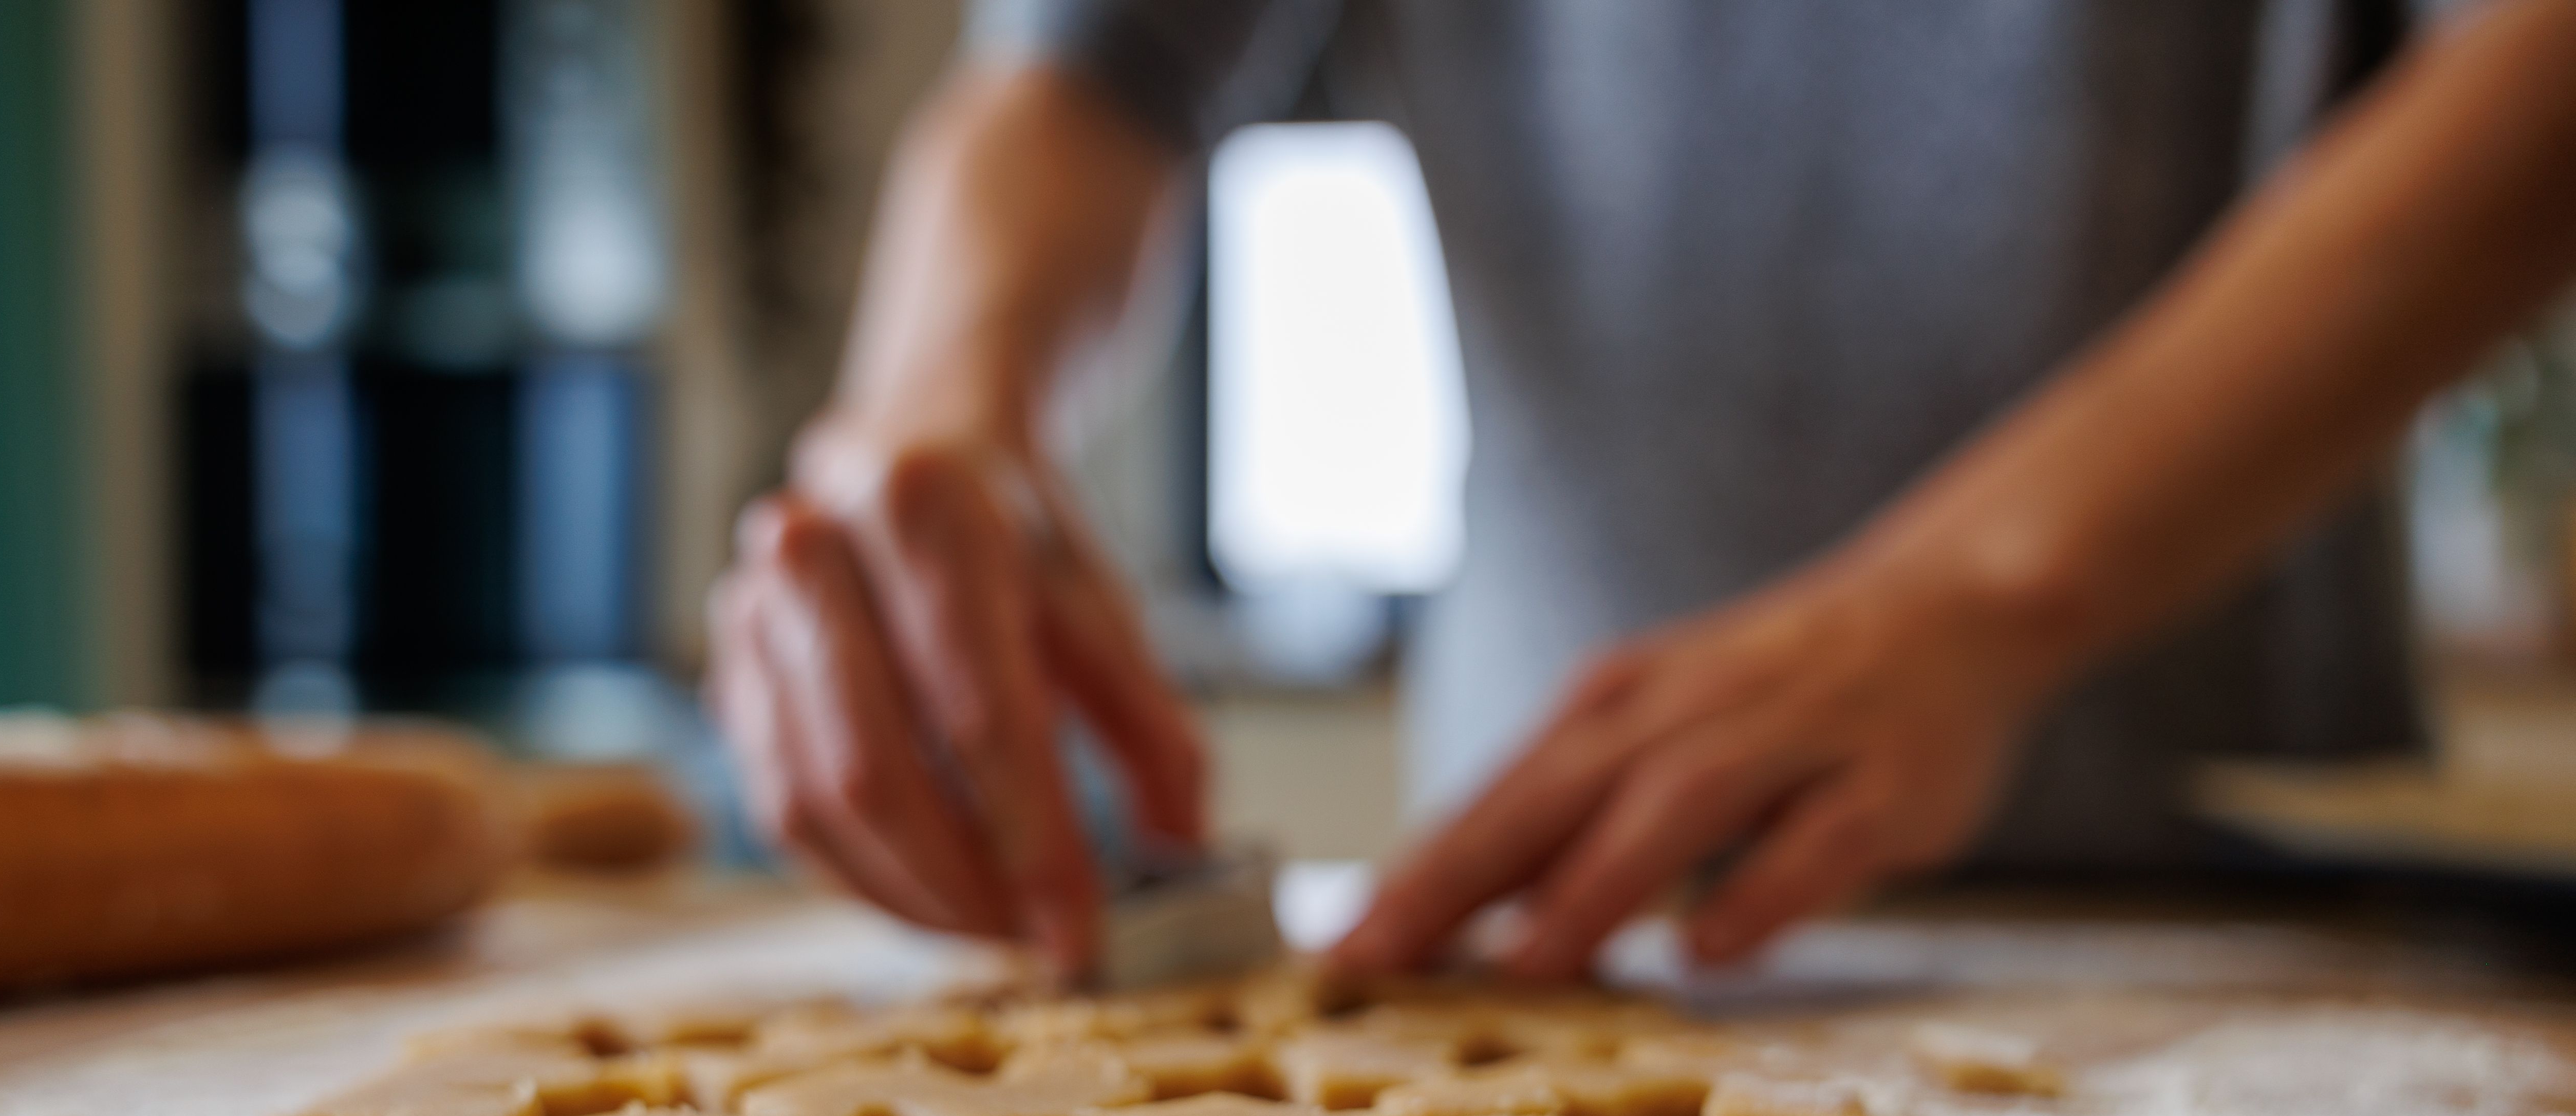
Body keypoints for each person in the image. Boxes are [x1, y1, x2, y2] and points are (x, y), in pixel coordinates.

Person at [707, 0, 2576, 981]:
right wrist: (933, 413)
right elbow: (1073, 86)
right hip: (1543, 909)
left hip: (2220, 873)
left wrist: (1978, 592)